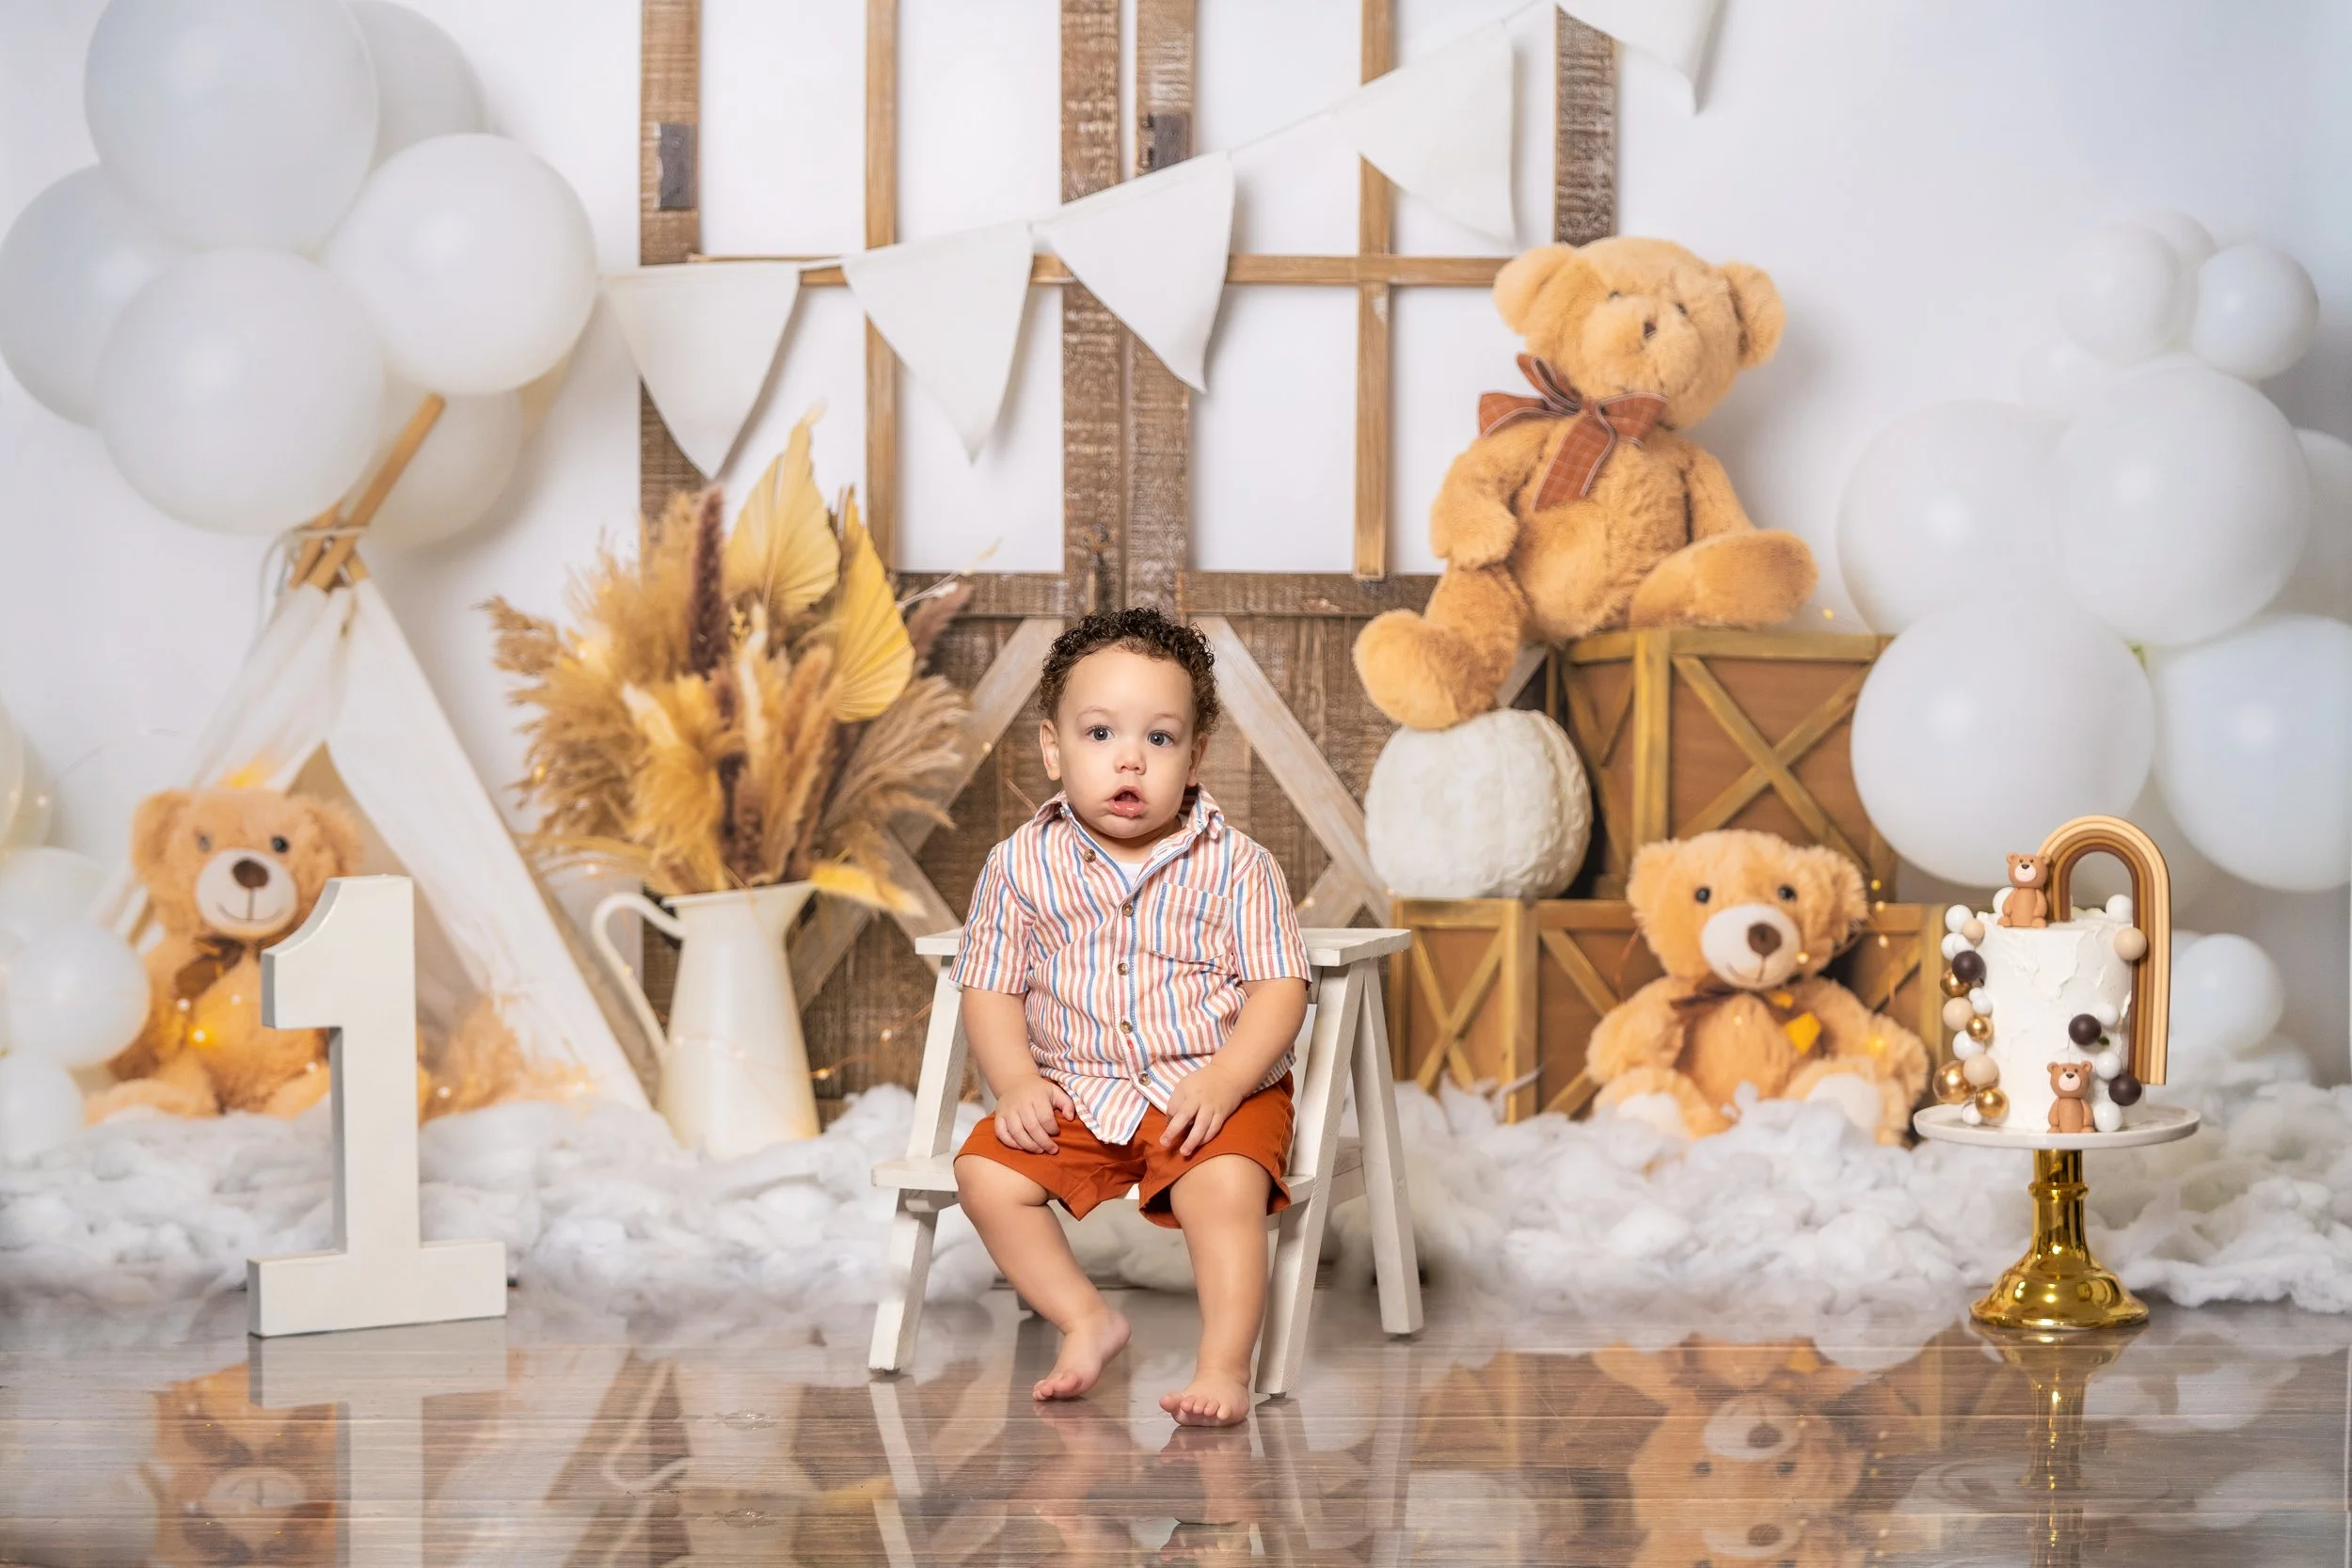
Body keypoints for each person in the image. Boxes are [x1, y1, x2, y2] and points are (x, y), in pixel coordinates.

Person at [951, 607, 1311, 1427]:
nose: (1129, 758)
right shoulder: (1019, 865)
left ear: (1195, 756)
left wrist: (1229, 1078)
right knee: (985, 1175)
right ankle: (1086, 1318)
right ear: (1054, 749)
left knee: (1224, 1186)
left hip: (1209, 1089)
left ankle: (1223, 1365)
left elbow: (1279, 987)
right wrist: (1016, 1081)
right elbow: (991, 987)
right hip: (1079, 1090)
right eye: (1100, 732)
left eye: (1159, 737)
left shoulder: (1239, 867)